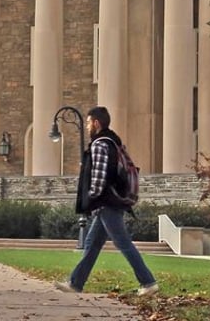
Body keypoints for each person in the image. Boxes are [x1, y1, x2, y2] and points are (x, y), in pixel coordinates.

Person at [54, 106, 159, 297]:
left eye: (88, 122)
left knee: (123, 242)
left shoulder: (100, 144)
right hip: (110, 201)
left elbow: (100, 177)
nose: (86, 127)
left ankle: (148, 281)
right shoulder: (113, 142)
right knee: (92, 244)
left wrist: (91, 197)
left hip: (107, 202)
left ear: (96, 123)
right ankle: (75, 283)